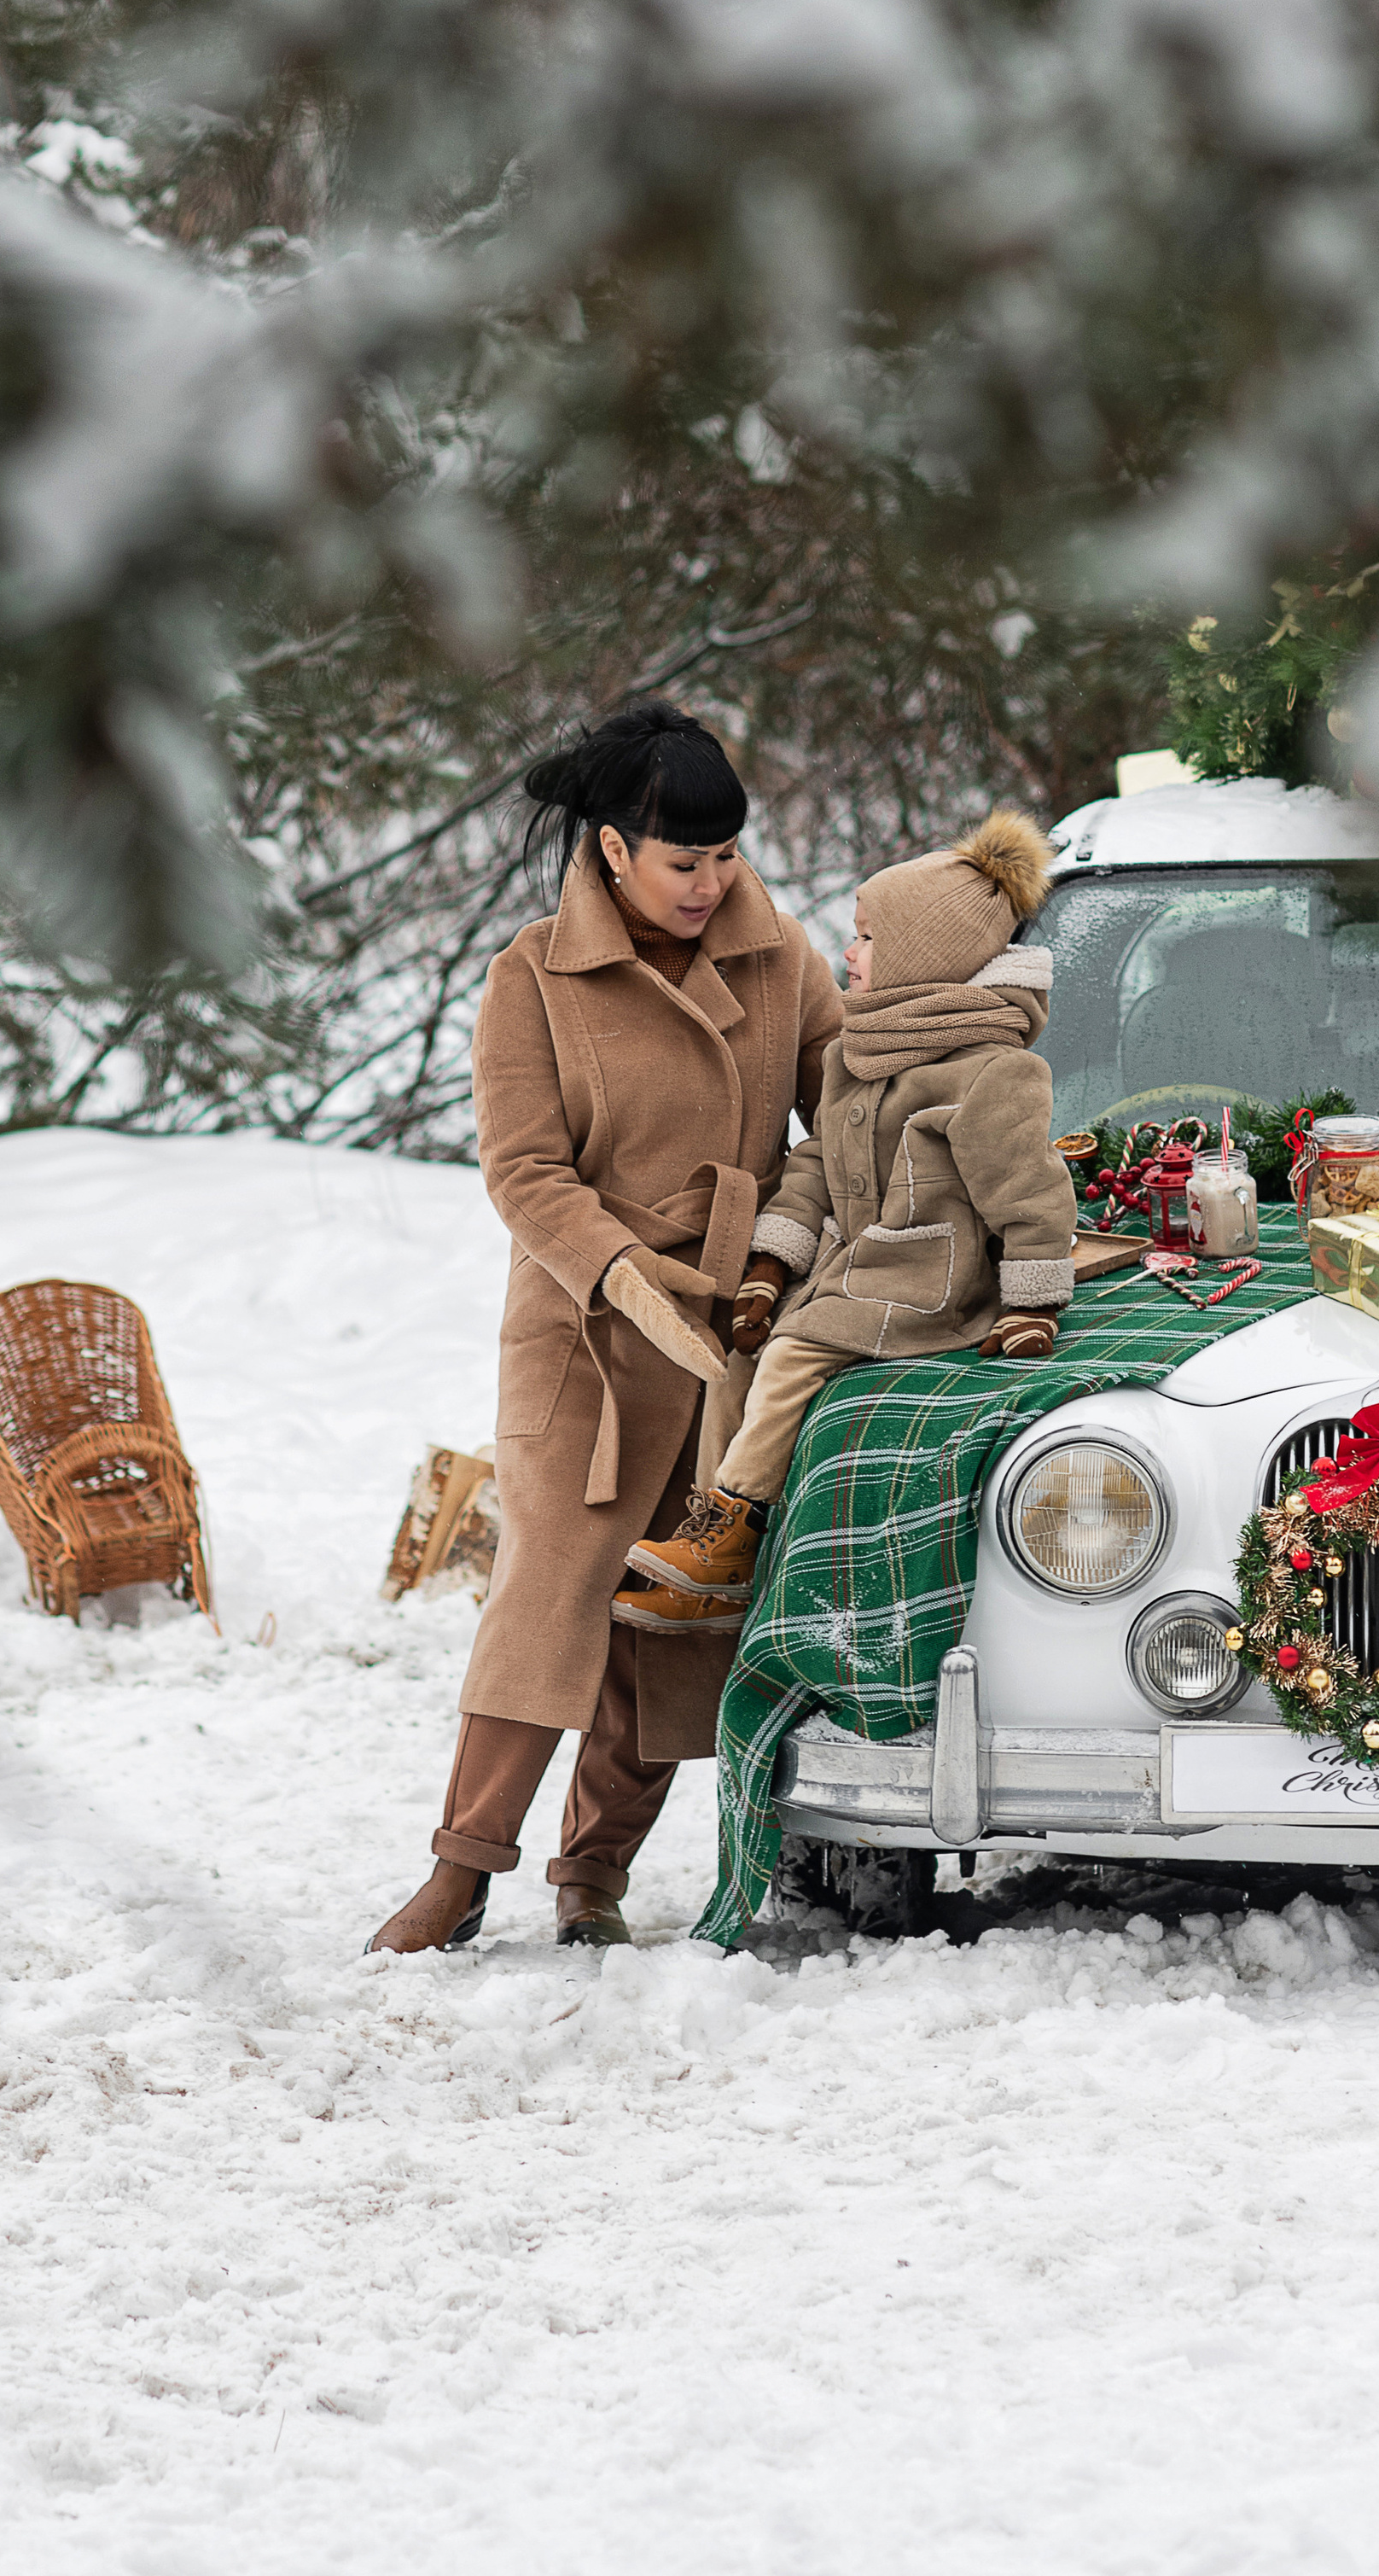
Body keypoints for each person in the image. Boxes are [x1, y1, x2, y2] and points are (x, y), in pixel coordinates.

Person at [367, 699, 843, 1955]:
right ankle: (459, 1873)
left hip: (730, 1338)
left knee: (673, 1616)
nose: (710, 884)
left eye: (726, 858)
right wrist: (626, 1273)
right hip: (583, 1327)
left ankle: (595, 1879)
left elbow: (847, 1117)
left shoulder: (782, 958)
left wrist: (780, 1242)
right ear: (615, 850)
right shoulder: (531, 977)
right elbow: (524, 1172)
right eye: (683, 861)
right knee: (551, 1588)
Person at [619, 811, 1076, 1612]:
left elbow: (1030, 1191)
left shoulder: (987, 1071)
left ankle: (735, 1525)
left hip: (931, 1283)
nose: (848, 956)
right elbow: (817, 1168)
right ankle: (714, 1541)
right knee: (737, 1360)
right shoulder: (856, 1054)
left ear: (923, 956)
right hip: (852, 1276)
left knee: (793, 1358)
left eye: (867, 940)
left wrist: (1032, 1302)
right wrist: (769, 1267)